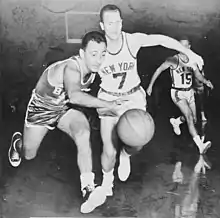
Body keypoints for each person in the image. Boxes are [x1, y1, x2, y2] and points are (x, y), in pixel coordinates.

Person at [97, 4, 205, 199]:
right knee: (108, 148)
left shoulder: (132, 41)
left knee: (138, 141)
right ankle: (106, 184)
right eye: (110, 23)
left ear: (122, 22)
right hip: (108, 98)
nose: (115, 27)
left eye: (118, 22)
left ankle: (126, 154)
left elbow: (161, 40)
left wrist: (190, 54)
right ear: (102, 26)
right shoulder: (97, 48)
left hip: (133, 97)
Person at [7, 31, 123, 214]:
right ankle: (18, 143)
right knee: (29, 154)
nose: (98, 59)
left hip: (64, 109)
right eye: (93, 54)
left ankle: (88, 188)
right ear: (82, 53)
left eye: (102, 54)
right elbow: (75, 95)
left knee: (83, 133)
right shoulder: (72, 68)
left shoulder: (97, 66)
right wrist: (107, 104)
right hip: (42, 108)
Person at [147, 37, 213, 154]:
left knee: (193, 119)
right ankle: (200, 146)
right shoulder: (173, 59)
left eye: (184, 46)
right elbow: (159, 70)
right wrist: (150, 85)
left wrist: (206, 81)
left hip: (189, 92)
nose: (182, 48)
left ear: (189, 47)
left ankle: (176, 121)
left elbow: (198, 75)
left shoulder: (192, 60)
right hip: (178, 93)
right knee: (188, 116)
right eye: (180, 45)